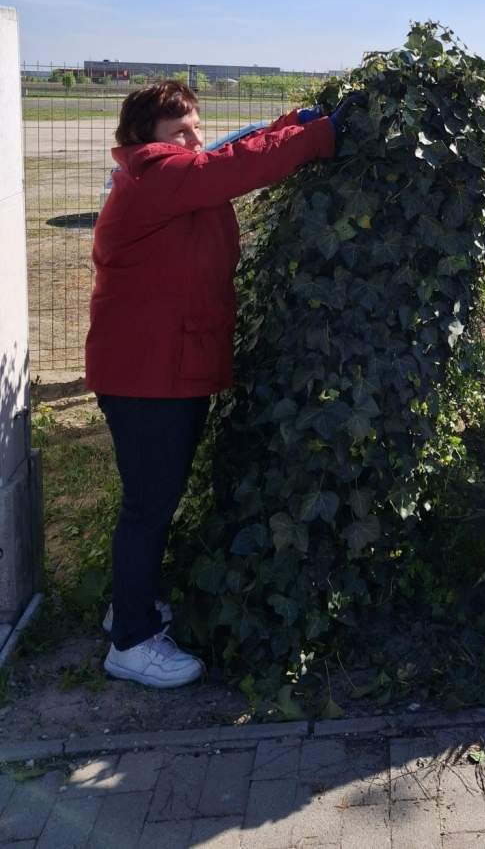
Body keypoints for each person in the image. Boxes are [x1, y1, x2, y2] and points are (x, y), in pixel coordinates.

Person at [86, 80, 354, 688]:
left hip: (163, 368)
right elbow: (232, 165)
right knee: (149, 506)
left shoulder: (169, 171)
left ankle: (129, 608)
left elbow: (229, 149)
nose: (194, 139)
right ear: (144, 138)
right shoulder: (155, 172)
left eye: (195, 126)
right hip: (146, 374)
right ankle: (129, 642)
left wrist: (289, 120)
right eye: (179, 129)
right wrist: (316, 137)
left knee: (154, 499)